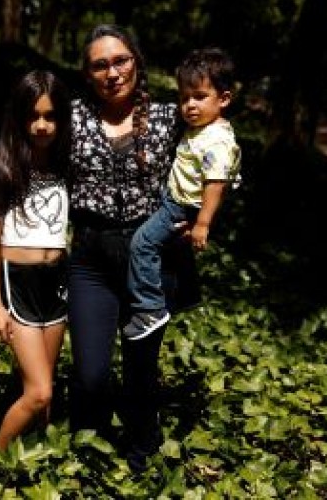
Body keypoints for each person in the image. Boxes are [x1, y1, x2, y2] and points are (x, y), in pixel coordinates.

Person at [67, 24, 189, 472]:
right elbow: (29, 146)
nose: (112, 73)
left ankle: (141, 450)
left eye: (121, 61)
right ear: (88, 74)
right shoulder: (71, 117)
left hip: (150, 258)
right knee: (91, 374)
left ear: (136, 62)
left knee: (141, 369)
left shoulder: (170, 118)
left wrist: (199, 217)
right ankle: (86, 454)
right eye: (100, 65)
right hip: (92, 259)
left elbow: (215, 158)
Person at [0, 70, 72, 451]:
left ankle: (36, 458)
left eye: (50, 116)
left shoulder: (65, 167)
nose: (42, 125)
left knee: (46, 388)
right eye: (33, 116)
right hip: (18, 284)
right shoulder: (3, 171)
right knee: (39, 392)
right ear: (18, 117)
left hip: (57, 283)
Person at [124, 47, 241, 340]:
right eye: (184, 97)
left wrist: (202, 223)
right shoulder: (203, 128)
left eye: (200, 97)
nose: (190, 105)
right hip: (174, 199)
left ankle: (149, 307)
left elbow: (216, 183)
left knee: (142, 244)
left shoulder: (217, 140)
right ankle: (183, 295)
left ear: (224, 99)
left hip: (181, 207)